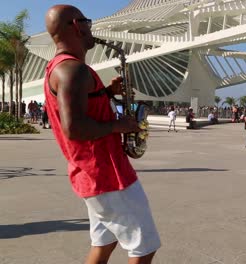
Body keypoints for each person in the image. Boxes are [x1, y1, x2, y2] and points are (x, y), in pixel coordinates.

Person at [44, 5, 160, 264]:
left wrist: (106, 93)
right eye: (87, 22)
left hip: (95, 175)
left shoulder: (62, 67)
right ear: (76, 25)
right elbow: (73, 128)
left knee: (104, 244)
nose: (90, 28)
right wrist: (119, 127)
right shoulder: (72, 70)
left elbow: (83, 108)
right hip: (107, 176)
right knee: (144, 247)